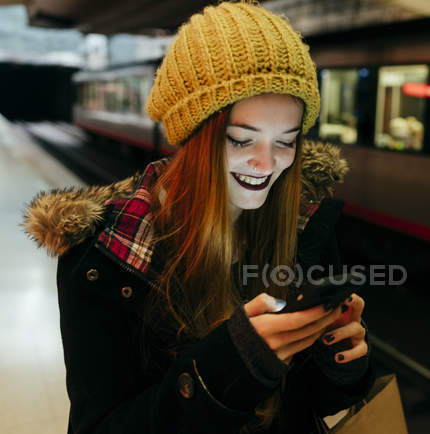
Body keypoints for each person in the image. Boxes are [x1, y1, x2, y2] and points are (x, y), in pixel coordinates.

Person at [22, 2, 374, 433]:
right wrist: (222, 370)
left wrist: (341, 364)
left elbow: (311, 401)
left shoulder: (306, 224)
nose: (267, 165)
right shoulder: (103, 256)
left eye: (287, 141)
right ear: (193, 137)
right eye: (242, 140)